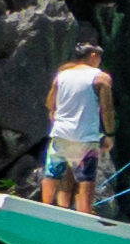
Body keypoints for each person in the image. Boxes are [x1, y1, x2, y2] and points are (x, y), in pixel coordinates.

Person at [39, 43, 110, 214]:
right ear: (93, 55)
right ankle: (84, 215)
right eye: (99, 57)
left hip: (61, 133)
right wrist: (109, 134)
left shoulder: (62, 74)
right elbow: (107, 108)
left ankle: (45, 207)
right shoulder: (100, 77)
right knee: (86, 179)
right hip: (85, 137)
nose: (100, 61)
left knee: (53, 172)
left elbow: (50, 103)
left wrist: (57, 121)